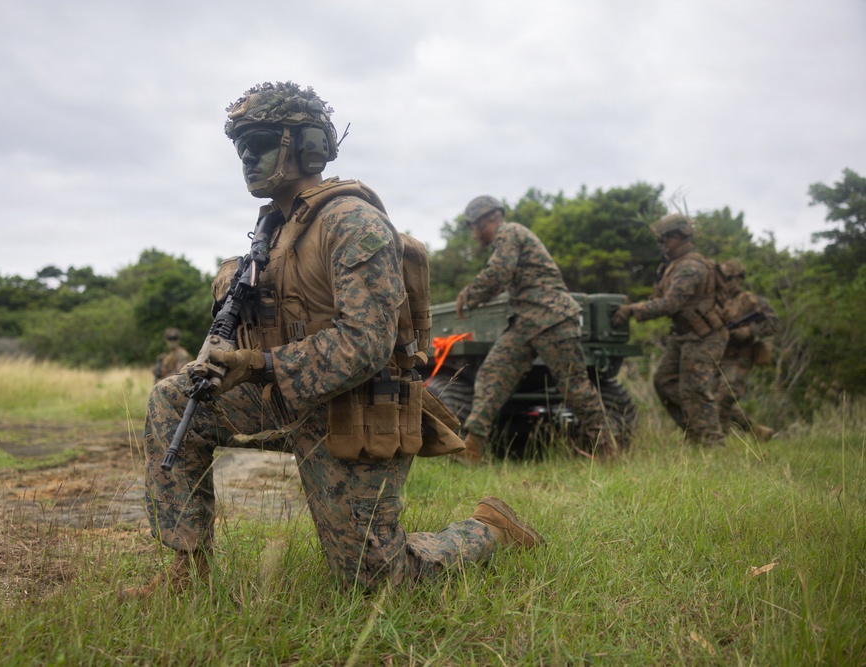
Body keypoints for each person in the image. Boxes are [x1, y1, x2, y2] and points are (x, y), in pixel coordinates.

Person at [122, 82, 543, 599]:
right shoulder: (274, 231)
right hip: (285, 395)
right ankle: (188, 571)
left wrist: (258, 364)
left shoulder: (353, 221)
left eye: (260, 142)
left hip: (354, 407)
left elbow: (366, 343)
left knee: (376, 583)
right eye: (241, 147)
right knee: (174, 400)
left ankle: (488, 530)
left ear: (309, 146)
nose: (247, 157)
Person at [452, 196, 616, 463]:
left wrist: (468, 296)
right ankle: (473, 445)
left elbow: (499, 273)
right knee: (492, 374)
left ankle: (607, 450)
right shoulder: (509, 237)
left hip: (552, 318)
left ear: (485, 220)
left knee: (574, 387)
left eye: (473, 227)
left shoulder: (509, 232)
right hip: (527, 321)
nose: (473, 234)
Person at [611, 213, 728, 445]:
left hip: (704, 335)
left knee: (695, 389)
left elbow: (671, 303)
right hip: (684, 334)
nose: (662, 245)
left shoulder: (690, 267)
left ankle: (712, 443)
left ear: (678, 237)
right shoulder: (675, 266)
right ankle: (695, 433)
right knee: (664, 381)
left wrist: (633, 310)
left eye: (664, 240)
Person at [715, 259, 781, 440]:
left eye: (730, 279)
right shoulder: (715, 301)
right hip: (716, 356)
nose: (726, 283)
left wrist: (749, 331)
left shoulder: (751, 301)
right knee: (709, 397)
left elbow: (774, 324)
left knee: (725, 396)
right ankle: (756, 431)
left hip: (739, 356)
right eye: (723, 279)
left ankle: (717, 440)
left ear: (738, 279)